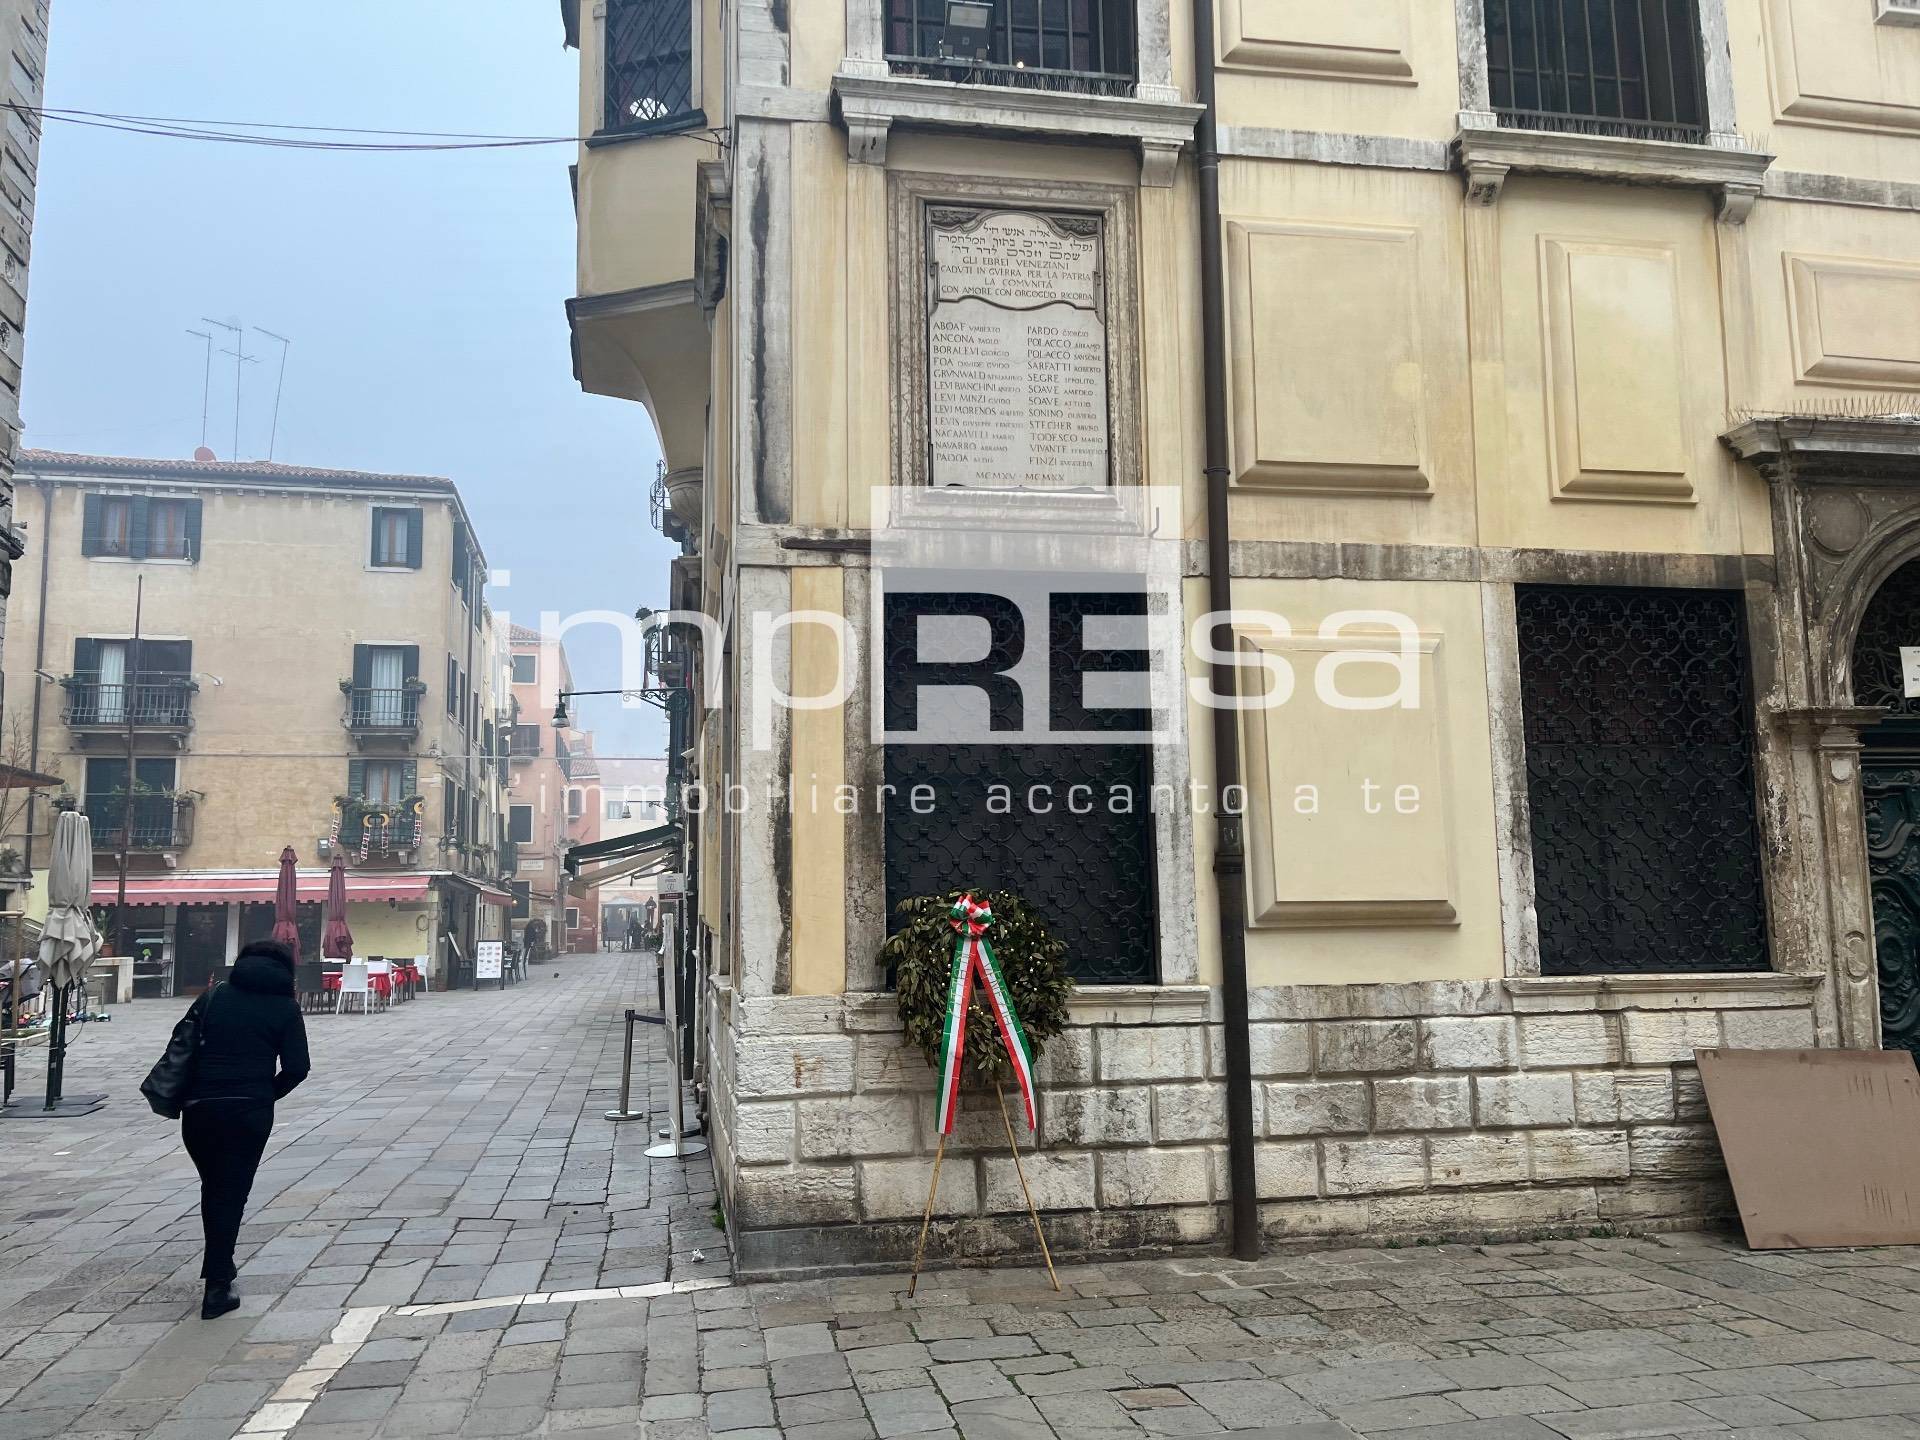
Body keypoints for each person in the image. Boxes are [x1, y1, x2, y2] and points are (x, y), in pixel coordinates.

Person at [180, 939, 309, 1319]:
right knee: (232, 1191)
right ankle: (218, 1283)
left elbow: (182, 1046)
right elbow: (297, 1068)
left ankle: (220, 1270)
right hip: (248, 1112)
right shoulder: (284, 1007)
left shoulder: (214, 997)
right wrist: (264, 1094)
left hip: (200, 1109)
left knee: (214, 1187)